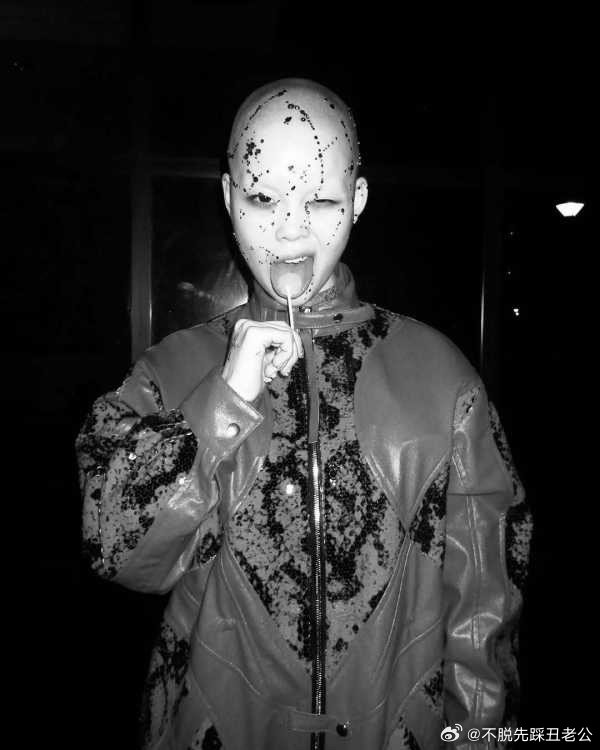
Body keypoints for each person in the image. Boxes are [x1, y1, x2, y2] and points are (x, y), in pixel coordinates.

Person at [77, 78, 532, 750]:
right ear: (229, 199)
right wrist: (221, 403)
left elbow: (485, 616)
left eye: (319, 200)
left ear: (358, 200)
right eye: (263, 198)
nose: (290, 228)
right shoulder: (170, 372)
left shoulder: (442, 380)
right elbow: (116, 549)